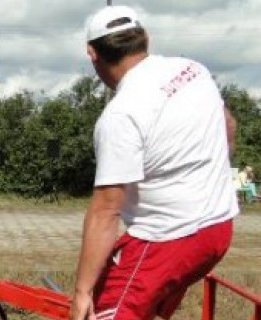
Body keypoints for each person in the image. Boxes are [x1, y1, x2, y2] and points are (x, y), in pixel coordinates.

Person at [71, 6, 239, 320]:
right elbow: (228, 125)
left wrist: (82, 292)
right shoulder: (193, 69)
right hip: (220, 228)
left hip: (168, 238)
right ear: (145, 38)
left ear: (92, 53)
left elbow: (106, 211)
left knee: (103, 309)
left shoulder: (120, 116)